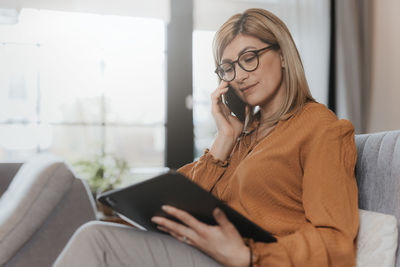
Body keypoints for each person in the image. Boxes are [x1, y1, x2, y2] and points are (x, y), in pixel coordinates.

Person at [54, 8, 359, 267]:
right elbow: (183, 200)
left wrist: (249, 255)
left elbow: (337, 243)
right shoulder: (244, 135)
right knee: (99, 231)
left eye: (249, 57)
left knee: (95, 239)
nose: (239, 75)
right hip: (204, 251)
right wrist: (223, 141)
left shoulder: (321, 128)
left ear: (282, 55)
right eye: (229, 67)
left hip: (247, 260)